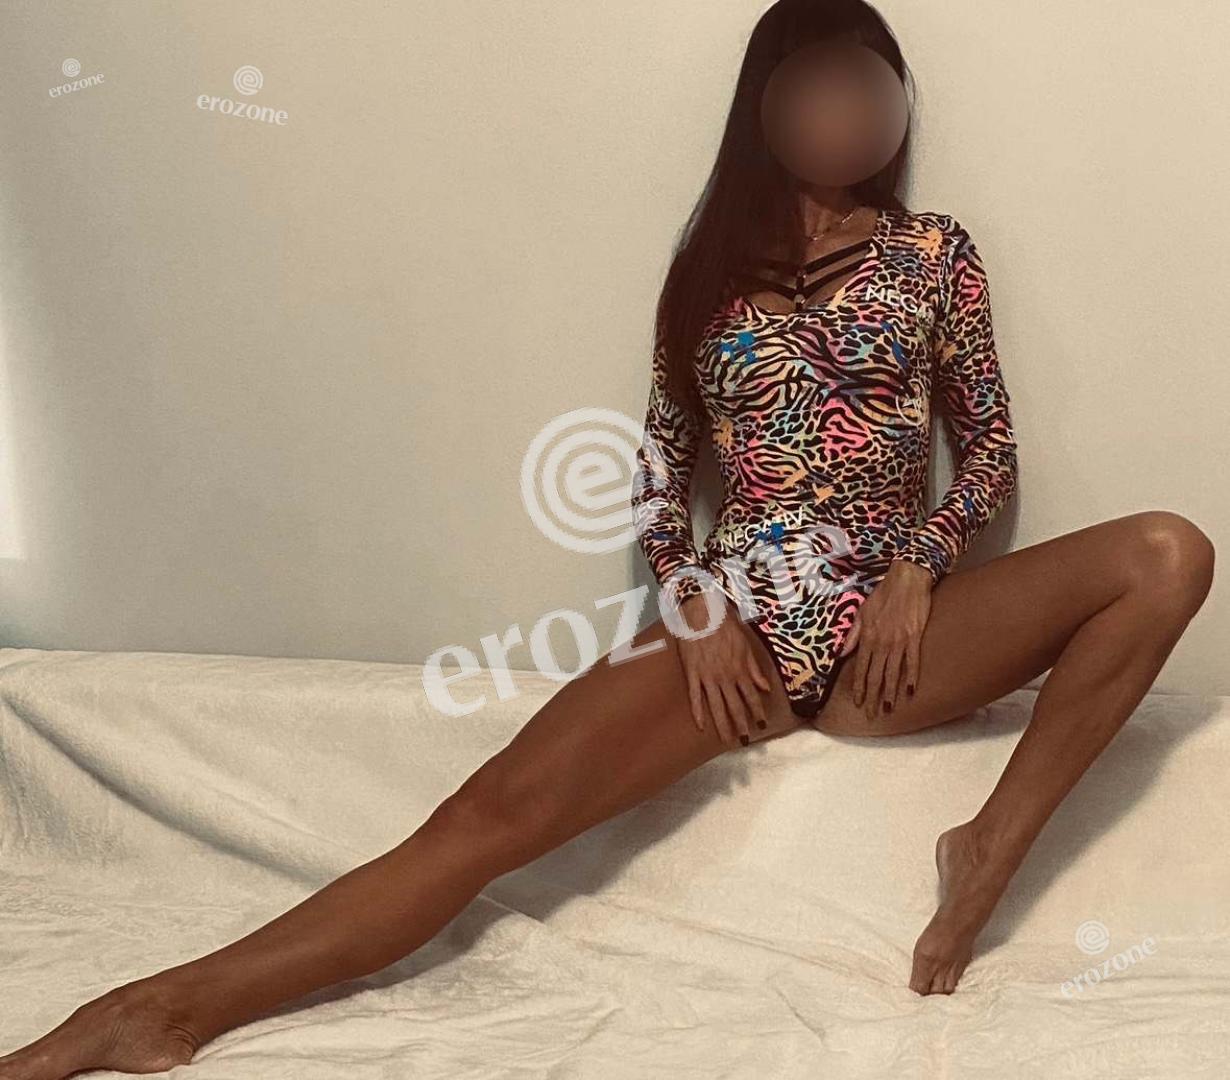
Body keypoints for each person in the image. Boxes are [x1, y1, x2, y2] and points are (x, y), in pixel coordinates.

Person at [0, 1, 1215, 1076]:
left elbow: (989, 446)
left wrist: (919, 564)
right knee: (487, 815)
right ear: (765, 109)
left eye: (869, 84)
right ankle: (159, 1010)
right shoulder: (709, 268)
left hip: (896, 638)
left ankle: (987, 850)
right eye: (817, 86)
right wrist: (695, 603)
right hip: (740, 620)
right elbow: (660, 470)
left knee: (1168, 551)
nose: (848, 110)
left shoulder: (935, 252)